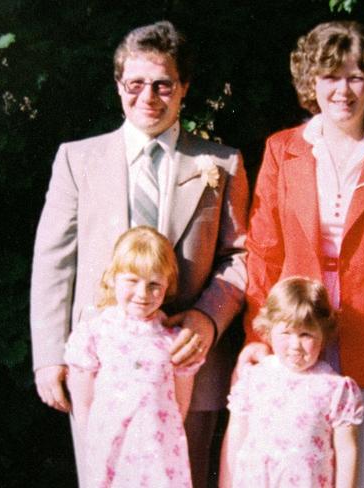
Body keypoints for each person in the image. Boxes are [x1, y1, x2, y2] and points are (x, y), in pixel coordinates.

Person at [30, 20, 248, 487]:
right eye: (135, 84)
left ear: (183, 87)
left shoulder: (221, 163)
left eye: (163, 84)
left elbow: (240, 255)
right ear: (118, 86)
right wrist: (49, 356)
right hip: (101, 370)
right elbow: (54, 260)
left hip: (188, 364)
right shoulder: (77, 160)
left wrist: (207, 319)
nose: (148, 96)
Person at [240, 20, 364, 488]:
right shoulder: (281, 150)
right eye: (331, 76)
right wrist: (259, 333)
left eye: (356, 76)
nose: (343, 90)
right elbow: (264, 250)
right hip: (296, 332)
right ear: (312, 81)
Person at [65, 226, 201, 487]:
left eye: (154, 285)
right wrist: (97, 444)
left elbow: (179, 406)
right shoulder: (95, 334)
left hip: (160, 456)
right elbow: (83, 405)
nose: (142, 294)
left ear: (167, 286)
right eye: (132, 281)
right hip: (109, 453)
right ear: (114, 277)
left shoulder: (173, 341)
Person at [219, 276, 364, 488]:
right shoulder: (254, 378)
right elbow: (234, 438)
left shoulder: (335, 388)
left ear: (323, 334)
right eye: (286, 333)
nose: (295, 345)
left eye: (306, 334)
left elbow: (346, 451)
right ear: (269, 331)